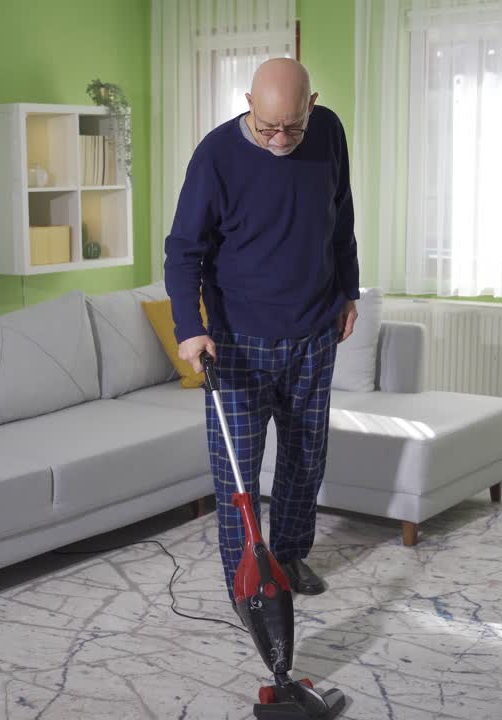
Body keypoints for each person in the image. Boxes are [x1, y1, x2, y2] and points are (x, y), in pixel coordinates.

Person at [164, 58, 359, 606]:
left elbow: (340, 214)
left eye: (292, 127)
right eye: (267, 126)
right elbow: (183, 252)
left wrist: (350, 290)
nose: (279, 138)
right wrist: (189, 327)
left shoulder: (328, 132)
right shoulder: (216, 156)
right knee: (238, 474)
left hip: (314, 330)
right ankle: (246, 579)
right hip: (237, 340)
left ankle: (291, 554)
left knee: (305, 455)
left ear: (312, 105)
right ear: (248, 102)